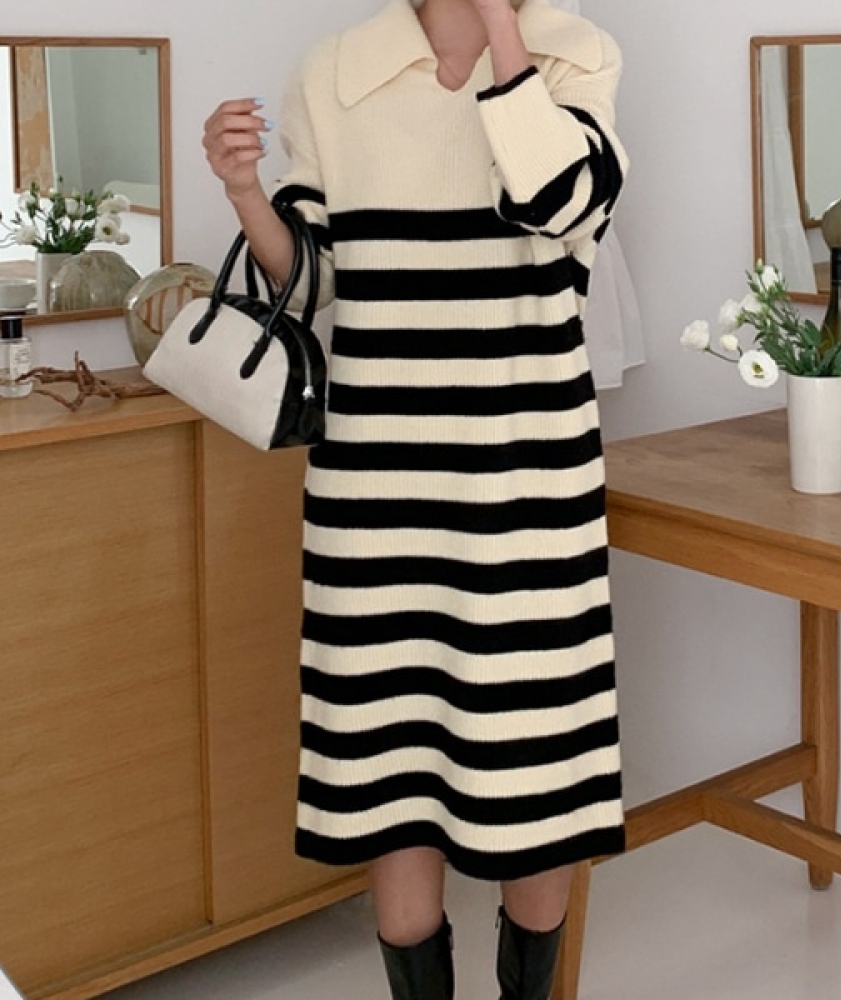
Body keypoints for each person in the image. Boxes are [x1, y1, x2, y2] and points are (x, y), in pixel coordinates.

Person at [202, 0, 627, 996]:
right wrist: (244, 190)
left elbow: (559, 199)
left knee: (534, 770)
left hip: (529, 489)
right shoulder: (337, 69)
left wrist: (501, 26)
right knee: (392, 771)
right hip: (377, 492)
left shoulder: (576, 54)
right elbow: (314, 283)